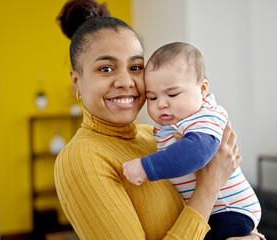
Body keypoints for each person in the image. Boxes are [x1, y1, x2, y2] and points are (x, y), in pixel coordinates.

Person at [54, 0, 262, 239]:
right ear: (76, 80)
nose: (126, 81)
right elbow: (205, 197)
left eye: (135, 67)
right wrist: (210, 186)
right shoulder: (81, 158)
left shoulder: (156, 136)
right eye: (106, 69)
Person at [122, 42, 262, 240]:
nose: (161, 104)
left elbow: (196, 152)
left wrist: (146, 167)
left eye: (172, 94)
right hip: (211, 210)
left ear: (203, 89)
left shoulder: (204, 116)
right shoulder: (172, 124)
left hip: (229, 210)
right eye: (152, 98)